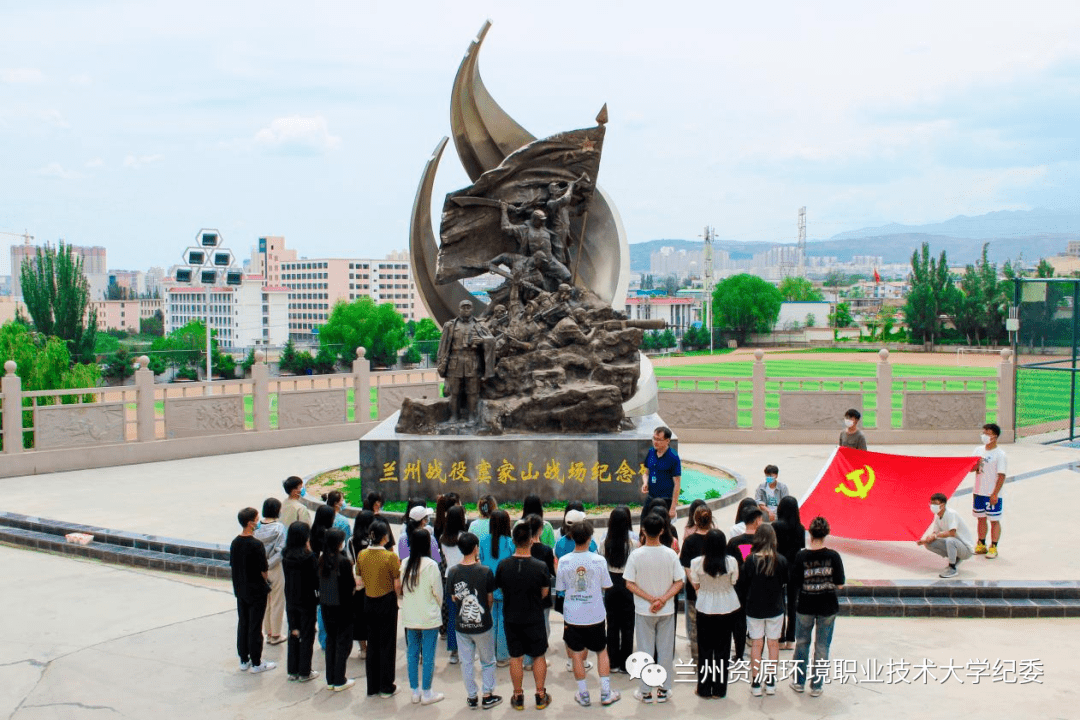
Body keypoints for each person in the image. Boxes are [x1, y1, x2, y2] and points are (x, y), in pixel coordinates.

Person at [556, 520, 620, 707]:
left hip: (573, 615)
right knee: (601, 651)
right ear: (590, 538)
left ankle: (583, 694)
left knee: (576, 654)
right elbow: (607, 585)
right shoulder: (599, 560)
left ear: (572, 537)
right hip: (595, 614)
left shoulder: (564, 560)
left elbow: (560, 587)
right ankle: (606, 692)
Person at [624, 513, 684, 704]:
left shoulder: (636, 555)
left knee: (644, 650)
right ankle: (664, 690)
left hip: (644, 610)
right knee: (665, 651)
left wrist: (651, 600)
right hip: (666, 610)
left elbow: (629, 584)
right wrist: (663, 599)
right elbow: (679, 582)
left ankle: (646, 691)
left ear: (643, 531)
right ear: (662, 530)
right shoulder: (670, 554)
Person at [496, 523, 552, 711]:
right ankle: (540, 695)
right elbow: (545, 592)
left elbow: (501, 589)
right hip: (534, 617)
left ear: (513, 541)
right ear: (531, 540)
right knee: (538, 656)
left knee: (516, 657)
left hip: (511, 617)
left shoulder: (503, 565)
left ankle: (518, 696)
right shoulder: (540, 566)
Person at [790, 516, 845, 697]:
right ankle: (817, 686)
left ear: (810, 533)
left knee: (802, 644)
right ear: (826, 533)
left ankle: (799, 682)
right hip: (828, 606)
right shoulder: (834, 556)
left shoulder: (801, 556)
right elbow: (840, 584)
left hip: (805, 605)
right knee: (822, 647)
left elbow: (795, 582)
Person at [447, 532, 503, 710]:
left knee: (467, 661)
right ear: (475, 548)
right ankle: (487, 695)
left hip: (461, 626)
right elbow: (490, 598)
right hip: (483, 625)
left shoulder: (453, 571)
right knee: (488, 661)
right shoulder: (485, 571)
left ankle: (472, 696)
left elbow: (454, 598)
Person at [735, 524, 788, 698]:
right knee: (773, 644)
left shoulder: (750, 560)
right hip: (775, 608)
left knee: (757, 644)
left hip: (754, 609)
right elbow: (784, 583)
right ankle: (771, 681)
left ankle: (755, 681)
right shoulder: (780, 560)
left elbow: (742, 584)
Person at [690, 529, 740, 699]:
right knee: (723, 649)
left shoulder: (697, 562)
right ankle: (719, 690)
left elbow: (695, 584)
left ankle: (703, 689)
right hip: (727, 607)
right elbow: (734, 581)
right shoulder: (731, 562)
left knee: (704, 649)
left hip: (704, 606)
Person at [401, 528, 445, 705]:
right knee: (428, 655)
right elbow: (438, 593)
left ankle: (415, 691)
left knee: (412, 653)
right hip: (429, 617)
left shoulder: (404, 563)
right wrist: (437, 607)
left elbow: (402, 590)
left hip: (411, 616)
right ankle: (427, 692)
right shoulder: (431, 565)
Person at [358, 520, 401, 698]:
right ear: (385, 537)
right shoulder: (390, 557)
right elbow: (397, 584)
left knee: (373, 643)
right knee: (387, 644)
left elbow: (359, 580)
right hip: (386, 601)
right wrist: (399, 598)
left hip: (369, 601)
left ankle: (372, 686)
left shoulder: (362, 554)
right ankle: (386, 686)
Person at [230, 507, 275, 674]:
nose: (259, 522)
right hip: (256, 590)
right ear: (250, 523)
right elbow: (263, 570)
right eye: (257, 519)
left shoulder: (235, 542)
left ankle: (244, 659)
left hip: (241, 589)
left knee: (243, 623)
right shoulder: (256, 545)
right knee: (255, 627)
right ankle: (257, 662)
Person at [437, 299, 494, 422]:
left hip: (472, 361)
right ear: (459, 309)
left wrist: (482, 341)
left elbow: (491, 340)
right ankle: (454, 416)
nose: (466, 310)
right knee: (454, 392)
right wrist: (441, 363)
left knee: (472, 392)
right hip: (455, 361)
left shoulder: (479, 325)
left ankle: (472, 416)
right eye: (463, 307)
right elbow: (443, 347)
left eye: (468, 307)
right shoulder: (450, 325)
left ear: (472, 309)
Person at [319, 529, 356, 692]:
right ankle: (340, 679)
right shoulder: (343, 562)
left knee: (331, 641)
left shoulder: (322, 559)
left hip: (327, 607)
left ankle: (331, 679)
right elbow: (350, 587)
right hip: (343, 608)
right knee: (343, 643)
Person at [600, 506, 636, 675]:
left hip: (610, 585)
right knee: (628, 626)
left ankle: (613, 662)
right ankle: (626, 664)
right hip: (628, 584)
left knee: (612, 625)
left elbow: (601, 564)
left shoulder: (604, 542)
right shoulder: (633, 543)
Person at [282, 521, 319, 682]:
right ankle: (305, 671)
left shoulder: (286, 555)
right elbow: (315, 580)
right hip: (307, 600)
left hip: (291, 599)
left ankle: (293, 670)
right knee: (307, 634)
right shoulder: (308, 557)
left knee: (294, 632)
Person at [727, 507, 764, 662]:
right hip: (758, 587)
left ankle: (739, 654)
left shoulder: (734, 542)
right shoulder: (763, 542)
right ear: (756, 521)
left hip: (738, 587)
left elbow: (727, 565)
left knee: (739, 622)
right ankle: (758, 655)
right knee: (758, 623)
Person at [479, 509, 515, 665]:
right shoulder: (510, 542)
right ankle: (502, 655)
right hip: (505, 588)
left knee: (491, 621)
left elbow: (481, 559)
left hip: (488, 587)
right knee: (503, 621)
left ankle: (490, 655)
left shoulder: (483, 540)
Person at [679, 505, 713, 665]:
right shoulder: (717, 537)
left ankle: (698, 660)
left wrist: (695, 584)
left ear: (695, 520)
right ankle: (711, 659)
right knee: (712, 626)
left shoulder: (690, 540)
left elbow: (686, 566)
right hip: (713, 590)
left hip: (694, 591)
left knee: (695, 627)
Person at [771, 496, 805, 650]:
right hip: (795, 569)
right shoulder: (800, 528)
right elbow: (800, 550)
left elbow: (772, 548)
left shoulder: (775, 526)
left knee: (779, 602)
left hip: (778, 567)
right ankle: (791, 639)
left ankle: (780, 637)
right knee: (793, 603)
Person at [524, 514, 556, 673]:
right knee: (543, 627)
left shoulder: (522, 549)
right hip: (542, 596)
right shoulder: (546, 550)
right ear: (541, 530)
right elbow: (552, 572)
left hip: (525, 595)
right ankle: (538, 657)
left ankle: (528, 660)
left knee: (528, 627)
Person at [254, 498, 287, 646]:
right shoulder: (279, 528)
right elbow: (280, 551)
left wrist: (261, 566)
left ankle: (268, 632)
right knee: (277, 601)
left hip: (259, 569)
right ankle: (276, 634)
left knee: (266, 602)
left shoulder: (257, 527)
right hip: (274, 568)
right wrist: (268, 565)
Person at [917, 493, 975, 578]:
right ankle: (955, 557)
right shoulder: (938, 517)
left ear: (942, 505)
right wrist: (925, 541)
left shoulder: (951, 514)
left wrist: (935, 535)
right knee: (929, 544)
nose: (932, 506)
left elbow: (952, 533)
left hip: (966, 550)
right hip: (956, 545)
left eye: (935, 504)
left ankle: (952, 568)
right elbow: (935, 533)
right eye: (931, 503)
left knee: (950, 540)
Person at [971, 422, 1006, 559]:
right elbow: (971, 468)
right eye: (983, 433)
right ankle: (981, 544)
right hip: (979, 491)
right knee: (980, 519)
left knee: (994, 520)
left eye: (987, 433)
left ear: (995, 436)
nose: (984, 435)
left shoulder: (1000, 454)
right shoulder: (978, 450)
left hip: (992, 493)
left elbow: (1002, 476)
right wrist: (976, 464)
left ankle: (994, 547)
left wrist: (995, 493)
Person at [440, 505, 468, 665]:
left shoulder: (443, 538)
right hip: (464, 577)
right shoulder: (464, 537)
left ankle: (453, 652)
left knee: (452, 616)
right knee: (465, 615)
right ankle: (466, 649)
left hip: (449, 578)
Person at [349, 510, 375, 659]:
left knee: (359, 617)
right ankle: (373, 647)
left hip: (358, 583)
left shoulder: (351, 541)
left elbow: (350, 561)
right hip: (373, 582)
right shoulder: (373, 540)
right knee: (372, 617)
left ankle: (363, 649)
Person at [640, 426, 681, 519]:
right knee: (644, 522)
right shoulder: (651, 452)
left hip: (665, 499)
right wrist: (645, 483)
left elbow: (677, 484)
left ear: (667, 441)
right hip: (651, 497)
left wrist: (673, 508)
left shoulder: (673, 457)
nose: (655, 442)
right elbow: (646, 473)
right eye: (654, 438)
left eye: (659, 439)